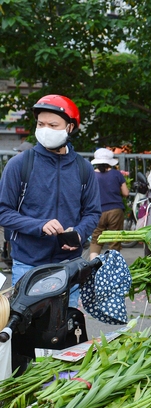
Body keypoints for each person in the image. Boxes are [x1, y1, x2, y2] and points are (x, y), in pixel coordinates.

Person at [0, 94, 101, 308]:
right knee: (26, 332)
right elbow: (3, 211)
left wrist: (79, 232)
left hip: (69, 266)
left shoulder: (84, 169)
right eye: (41, 124)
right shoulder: (19, 164)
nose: (45, 129)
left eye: (53, 125)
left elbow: (92, 212)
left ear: (70, 127)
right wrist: (40, 225)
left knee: (63, 332)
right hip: (27, 264)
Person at [88, 148, 129, 259]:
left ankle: (93, 266)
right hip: (116, 211)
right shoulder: (116, 174)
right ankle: (112, 268)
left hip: (97, 211)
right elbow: (126, 193)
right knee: (114, 240)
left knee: (96, 239)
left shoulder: (91, 175)